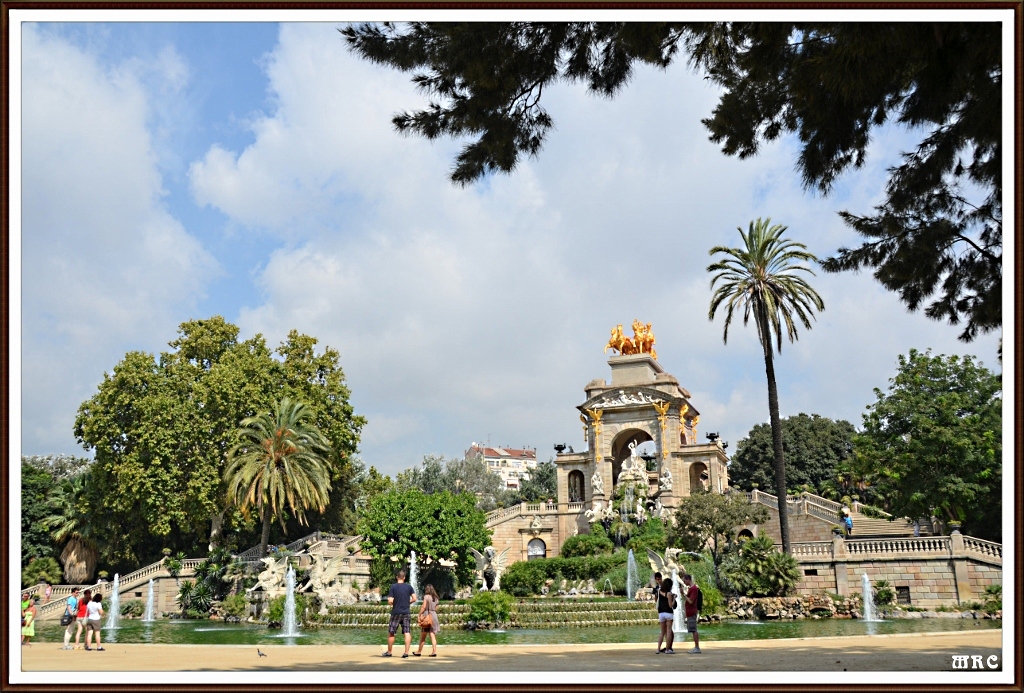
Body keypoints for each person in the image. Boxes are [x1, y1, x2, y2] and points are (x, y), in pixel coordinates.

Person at [383, 569, 417, 658]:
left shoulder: (393, 587)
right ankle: (406, 653)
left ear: (397, 577)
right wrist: (407, 602)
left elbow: (390, 600)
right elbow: (414, 598)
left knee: (391, 632)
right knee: (407, 632)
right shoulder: (409, 587)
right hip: (406, 612)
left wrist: (394, 603)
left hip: (396, 612)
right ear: (404, 578)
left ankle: (389, 652)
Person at [414, 584, 440, 657]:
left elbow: (423, 606)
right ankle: (434, 652)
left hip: (427, 617)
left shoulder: (426, 597)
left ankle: (419, 651)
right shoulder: (436, 598)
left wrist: (419, 614)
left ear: (426, 589)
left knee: (423, 636)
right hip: (434, 616)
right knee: (432, 635)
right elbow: (436, 608)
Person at [655, 577, 676, 654]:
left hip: (661, 613)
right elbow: (670, 605)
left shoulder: (659, 591)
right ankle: (667, 649)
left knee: (662, 632)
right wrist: (674, 599)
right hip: (668, 613)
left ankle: (658, 649)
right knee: (669, 631)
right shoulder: (669, 593)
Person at [682, 573, 701, 654]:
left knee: (694, 630)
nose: (684, 582)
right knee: (693, 630)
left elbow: (690, 601)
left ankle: (697, 647)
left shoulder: (693, 589)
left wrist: (683, 594)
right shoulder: (691, 588)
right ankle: (696, 647)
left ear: (688, 579)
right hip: (690, 611)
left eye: (684, 580)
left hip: (692, 611)